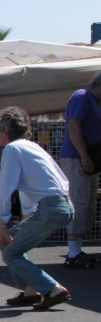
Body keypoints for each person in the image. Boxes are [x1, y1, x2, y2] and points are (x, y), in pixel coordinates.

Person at [0, 107, 74, 310]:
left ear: (5, 131)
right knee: (12, 241)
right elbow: (30, 187)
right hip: (62, 204)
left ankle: (52, 289)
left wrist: (2, 225)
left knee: (10, 252)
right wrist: (27, 216)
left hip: (50, 207)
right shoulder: (31, 147)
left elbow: (5, 189)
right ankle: (30, 290)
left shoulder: (12, 149)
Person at [58, 72, 101, 269]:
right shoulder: (82, 96)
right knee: (79, 202)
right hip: (77, 159)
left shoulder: (93, 101)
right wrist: (84, 155)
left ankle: (77, 250)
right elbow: (73, 126)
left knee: (88, 206)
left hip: (89, 160)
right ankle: (73, 253)